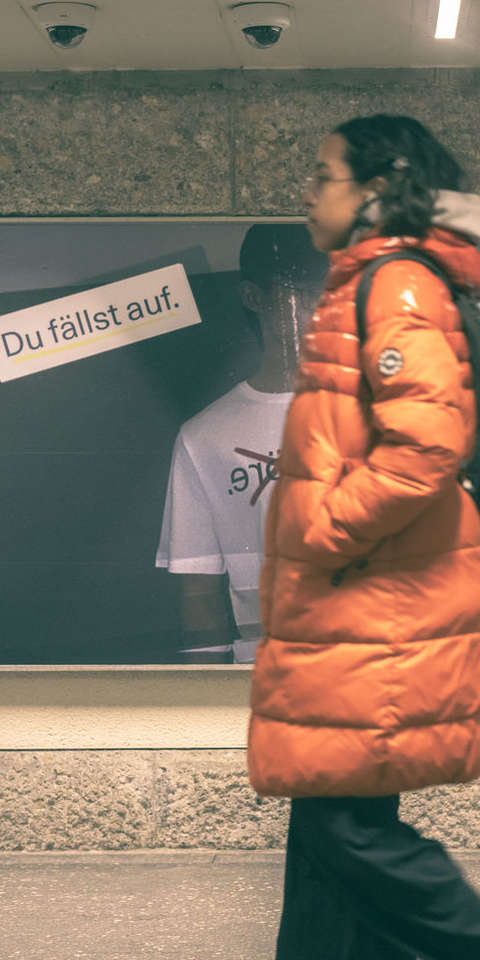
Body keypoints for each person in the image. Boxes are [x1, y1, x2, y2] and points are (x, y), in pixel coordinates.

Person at [247, 113, 480, 960]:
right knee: (333, 815)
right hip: (364, 604)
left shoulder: (393, 284)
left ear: (377, 190)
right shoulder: (379, 283)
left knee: (343, 825)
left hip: (378, 604)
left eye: (322, 174)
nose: (308, 192)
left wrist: (325, 527)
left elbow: (427, 443)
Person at [155, 224, 326, 662]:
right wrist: (205, 698)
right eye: (307, 292)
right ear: (254, 297)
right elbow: (199, 591)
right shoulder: (205, 437)